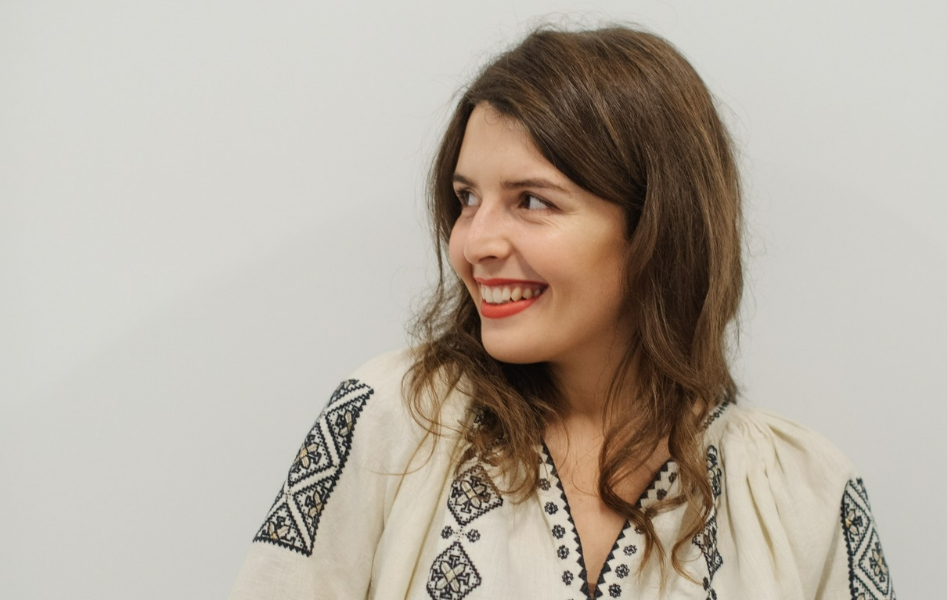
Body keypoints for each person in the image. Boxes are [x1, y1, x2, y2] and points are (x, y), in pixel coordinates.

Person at [227, 26, 896, 600]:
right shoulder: (389, 422)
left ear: (656, 227)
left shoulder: (805, 496)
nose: (475, 244)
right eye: (467, 198)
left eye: (532, 201)